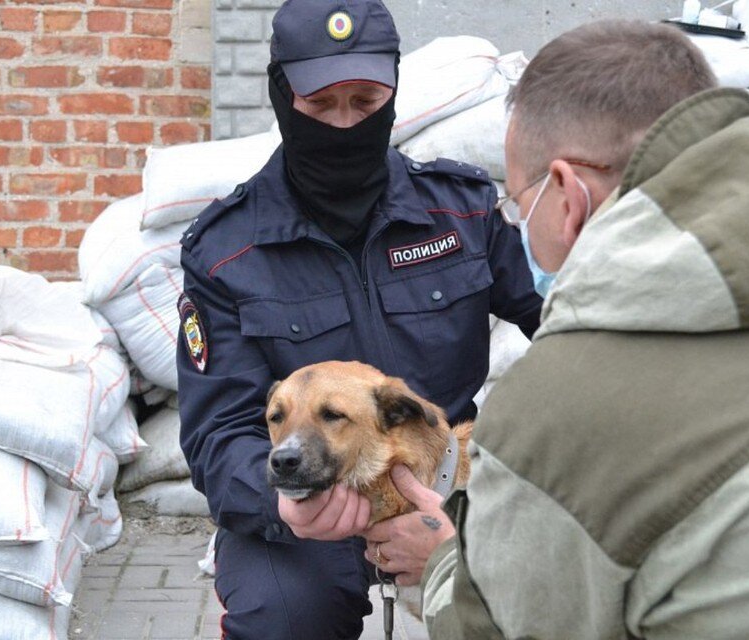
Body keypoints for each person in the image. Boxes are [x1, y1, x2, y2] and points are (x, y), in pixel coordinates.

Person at [397, 19, 749, 639]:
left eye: (514, 204)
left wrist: (446, 562)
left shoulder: (556, 408)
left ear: (565, 192)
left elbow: (497, 627)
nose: (514, 228)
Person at [175, 0, 544, 637]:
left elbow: (565, 327)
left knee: (554, 587)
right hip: (305, 508)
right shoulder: (228, 252)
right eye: (322, 106)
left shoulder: (460, 214)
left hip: (449, 486)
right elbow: (218, 433)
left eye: (365, 103)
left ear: (394, 95)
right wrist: (283, 506)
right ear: (282, 96)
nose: (345, 124)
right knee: (280, 619)